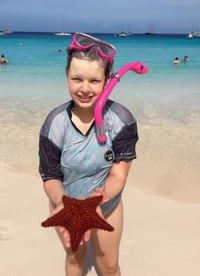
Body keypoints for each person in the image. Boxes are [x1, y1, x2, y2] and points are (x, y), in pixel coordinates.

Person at [39, 32, 138, 276]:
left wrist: (96, 200)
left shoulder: (122, 121)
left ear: (107, 80)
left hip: (107, 205)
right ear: (66, 79)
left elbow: (118, 176)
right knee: (74, 258)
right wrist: (65, 205)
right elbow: (50, 177)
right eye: (77, 79)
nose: (84, 88)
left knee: (109, 265)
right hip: (64, 201)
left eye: (94, 80)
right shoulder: (54, 124)